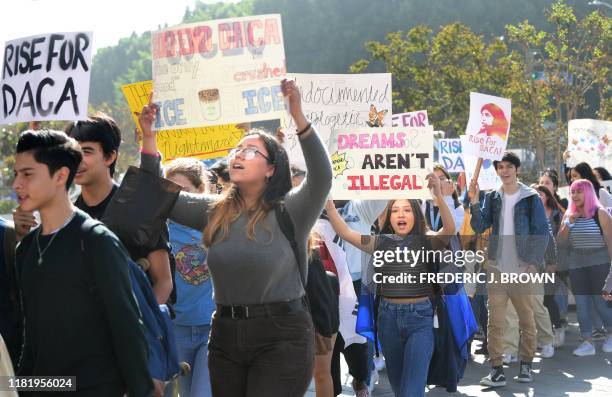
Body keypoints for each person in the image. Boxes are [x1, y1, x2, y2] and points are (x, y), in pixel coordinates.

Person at [138, 79, 332, 396]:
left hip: (282, 335)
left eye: (251, 150)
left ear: (271, 168)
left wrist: (299, 117)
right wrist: (149, 138)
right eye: (237, 149)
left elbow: (323, 176)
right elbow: (156, 197)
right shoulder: (215, 211)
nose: (239, 153)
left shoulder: (292, 210)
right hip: (225, 334)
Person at [13, 129, 152, 396]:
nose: (17, 184)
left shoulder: (96, 241)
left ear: (61, 175)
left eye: (28, 174)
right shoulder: (26, 250)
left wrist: (141, 391)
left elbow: (128, 330)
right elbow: (31, 338)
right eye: (17, 174)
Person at [323, 174, 455, 397]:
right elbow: (346, 232)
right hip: (388, 320)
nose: (400, 215)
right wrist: (330, 205)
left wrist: (439, 197)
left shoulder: (428, 240)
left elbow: (449, 229)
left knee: (411, 391)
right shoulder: (380, 243)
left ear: (415, 214)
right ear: (389, 217)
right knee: (398, 386)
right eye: (395, 210)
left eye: (406, 209)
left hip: (420, 321)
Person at [469, 151, 550, 387]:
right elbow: (480, 225)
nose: (504, 171)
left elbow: (541, 232)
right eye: (500, 167)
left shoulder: (530, 197)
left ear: (517, 169)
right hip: (497, 267)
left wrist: (534, 263)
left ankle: (526, 365)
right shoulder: (493, 196)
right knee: (495, 321)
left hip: (523, 268)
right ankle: (496, 369)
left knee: (527, 319)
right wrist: (474, 200)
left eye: (508, 167)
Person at [163, 158, 214, 397]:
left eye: (183, 192)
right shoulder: (159, 229)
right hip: (176, 329)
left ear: (201, 191)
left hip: (212, 327)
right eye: (171, 191)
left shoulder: (216, 225)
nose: (177, 199)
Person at [557, 179, 612, 356]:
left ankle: (610, 333)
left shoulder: (601, 213)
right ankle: (587, 341)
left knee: (601, 303)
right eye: (572, 192)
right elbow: (560, 242)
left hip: (600, 262)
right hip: (577, 263)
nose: (575, 195)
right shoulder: (568, 215)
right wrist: (569, 223)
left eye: (579, 191)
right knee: (581, 304)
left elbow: (610, 243)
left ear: (588, 193)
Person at [421, 164, 464, 232]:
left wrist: (447, 197)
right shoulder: (423, 205)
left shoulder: (457, 207)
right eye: (433, 179)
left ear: (449, 182)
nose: (438, 183)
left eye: (441, 179)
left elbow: (452, 231)